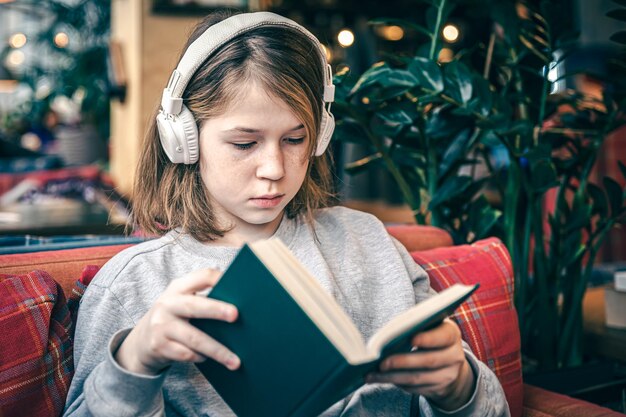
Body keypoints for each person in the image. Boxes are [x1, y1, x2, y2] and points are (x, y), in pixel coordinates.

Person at [64, 11, 510, 417]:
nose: (275, 169)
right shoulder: (133, 284)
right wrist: (135, 360)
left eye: (295, 139)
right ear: (183, 139)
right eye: (245, 143)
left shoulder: (368, 241)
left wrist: (459, 386)